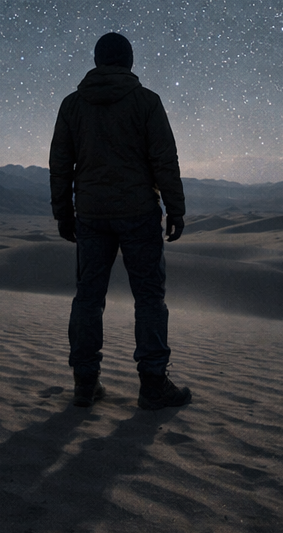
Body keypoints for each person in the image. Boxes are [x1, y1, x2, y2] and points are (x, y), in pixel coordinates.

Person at [49, 32, 192, 410]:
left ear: (97, 61)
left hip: (92, 216)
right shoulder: (146, 102)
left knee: (88, 298)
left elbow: (60, 166)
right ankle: (153, 383)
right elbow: (165, 159)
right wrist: (176, 208)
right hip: (139, 213)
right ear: (128, 61)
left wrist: (63, 212)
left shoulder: (72, 105)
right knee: (148, 298)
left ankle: (84, 383)